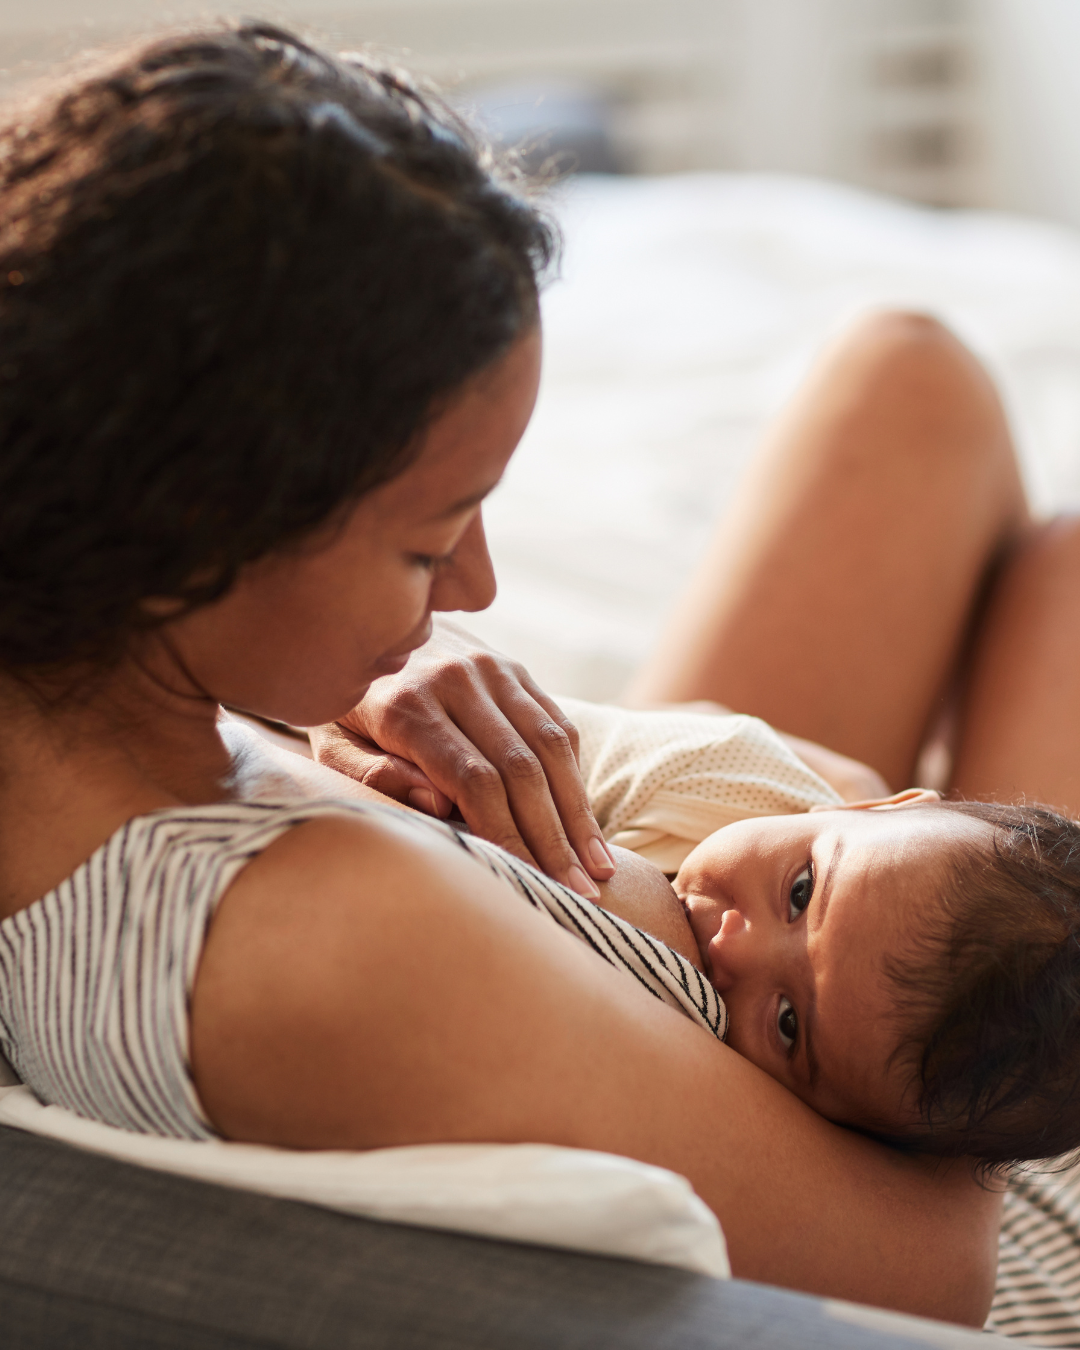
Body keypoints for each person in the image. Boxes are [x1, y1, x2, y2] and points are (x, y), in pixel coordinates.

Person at [0, 20, 1036, 1331]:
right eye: (430, 538)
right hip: (979, 1139)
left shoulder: (68, 669)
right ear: (196, 532)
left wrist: (341, 690)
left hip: (664, 903)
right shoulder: (323, 940)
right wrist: (950, 919)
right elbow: (946, 1280)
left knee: (912, 379)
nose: (477, 589)